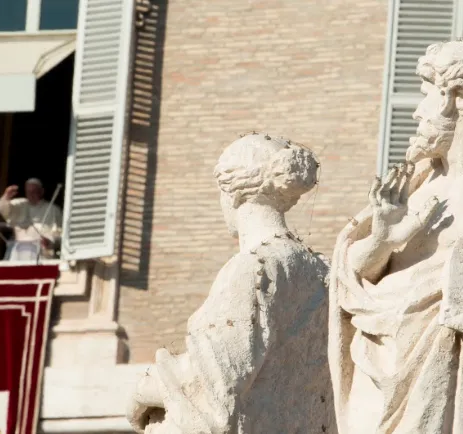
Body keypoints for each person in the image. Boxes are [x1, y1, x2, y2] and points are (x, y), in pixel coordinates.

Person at [329, 40, 463, 433]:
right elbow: (352, 278)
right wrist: (381, 239)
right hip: (377, 364)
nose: (416, 111)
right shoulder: (416, 182)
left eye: (425, 96)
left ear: (455, 97)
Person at [126, 134, 331, 433]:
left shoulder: (254, 268)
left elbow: (217, 383)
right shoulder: (321, 270)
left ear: (231, 193)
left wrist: (148, 386)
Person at [0, 178, 63, 260]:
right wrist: (6, 196)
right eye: (28, 192)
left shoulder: (53, 210)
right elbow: (3, 209)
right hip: (18, 254)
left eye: (34, 191)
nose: (31, 195)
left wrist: (50, 242)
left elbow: (61, 236)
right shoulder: (20, 204)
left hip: (42, 255)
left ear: (41, 191)